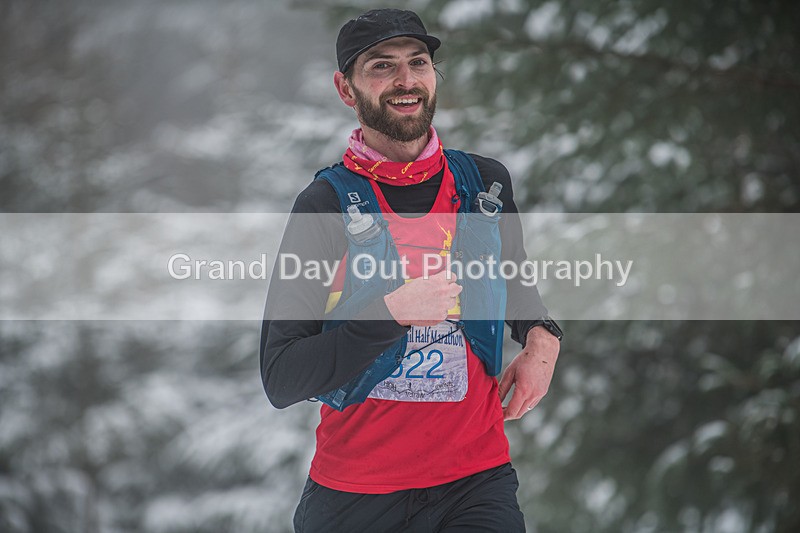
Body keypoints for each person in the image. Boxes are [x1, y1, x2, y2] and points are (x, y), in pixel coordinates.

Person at [260, 8, 562, 532]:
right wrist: (390, 314)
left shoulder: (485, 186)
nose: (405, 81)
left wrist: (541, 336)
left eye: (417, 63)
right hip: (357, 495)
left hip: (476, 480)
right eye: (381, 66)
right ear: (345, 88)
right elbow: (281, 376)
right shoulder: (325, 206)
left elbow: (515, 285)